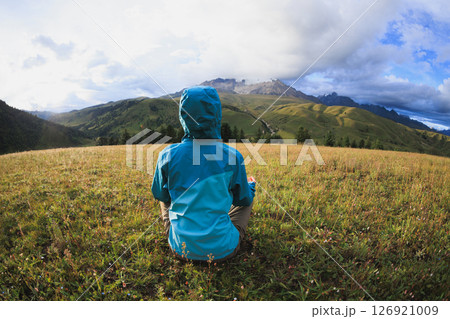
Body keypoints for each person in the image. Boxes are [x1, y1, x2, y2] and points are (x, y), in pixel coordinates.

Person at [151, 86, 256, 261]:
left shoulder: (167, 155)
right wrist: (250, 186)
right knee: (247, 198)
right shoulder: (232, 157)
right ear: (217, 115)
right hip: (224, 250)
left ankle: (180, 231)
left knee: (164, 198)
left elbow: (159, 194)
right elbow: (242, 200)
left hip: (180, 248)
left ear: (183, 116)